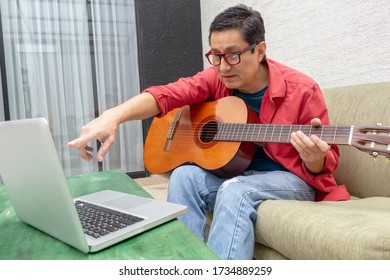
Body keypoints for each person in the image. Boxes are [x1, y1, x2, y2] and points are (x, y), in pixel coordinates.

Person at [68, 4, 350, 259]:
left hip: (291, 179)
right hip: (238, 173)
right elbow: (168, 94)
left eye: (233, 55)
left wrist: (314, 157)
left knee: (235, 190)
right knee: (184, 175)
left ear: (260, 50)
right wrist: (114, 116)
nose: (223, 66)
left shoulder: (302, 90)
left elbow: (322, 166)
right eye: (215, 56)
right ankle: (183, 262)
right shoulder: (215, 78)